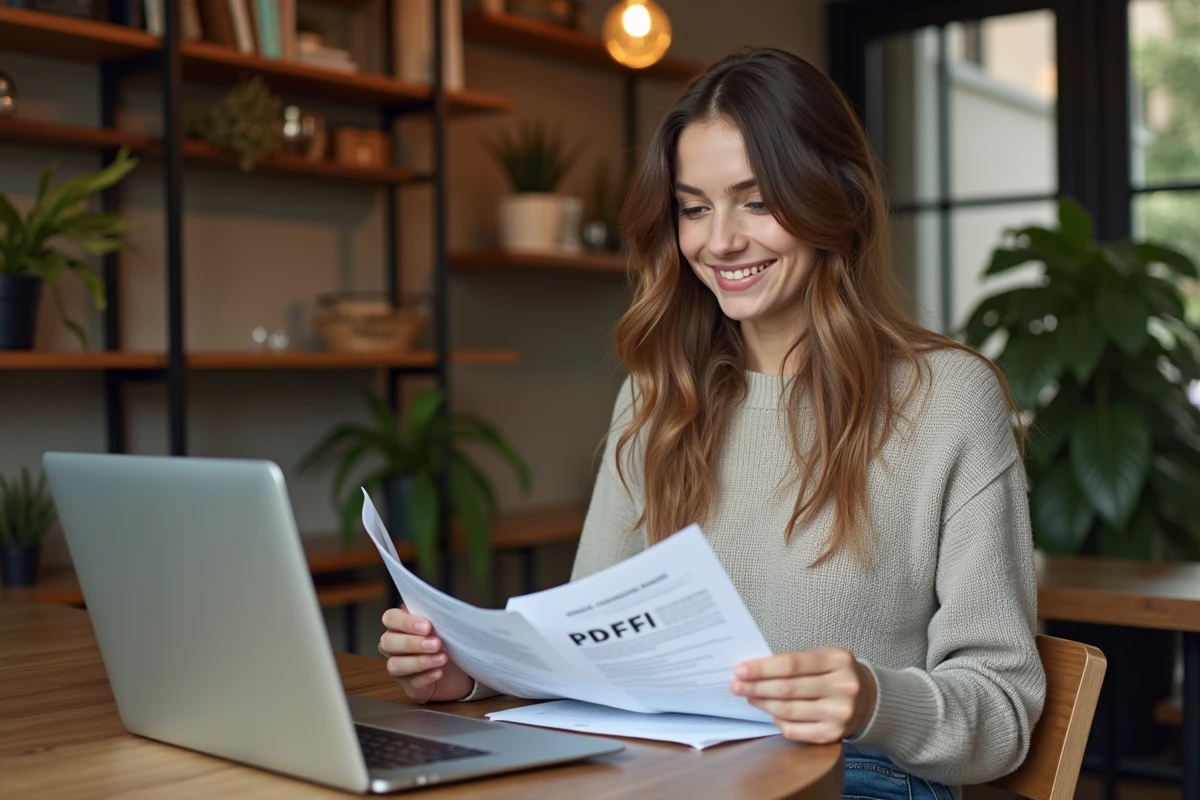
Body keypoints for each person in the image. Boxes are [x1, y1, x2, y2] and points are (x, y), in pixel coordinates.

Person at [377, 47, 1046, 797]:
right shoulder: (657, 395)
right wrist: (470, 674)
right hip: (663, 774)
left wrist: (873, 699)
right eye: (694, 207)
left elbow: (1005, 709)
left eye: (757, 202)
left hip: (856, 776)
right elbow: (583, 658)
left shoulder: (948, 399)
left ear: (837, 199)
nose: (719, 240)